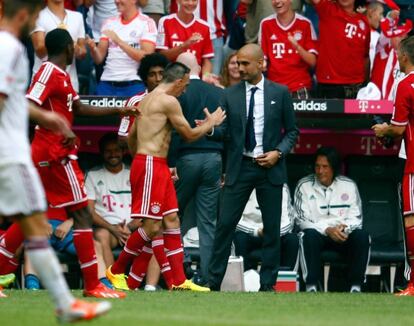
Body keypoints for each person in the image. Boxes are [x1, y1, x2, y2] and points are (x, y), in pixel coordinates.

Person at [0, 0, 110, 320]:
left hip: (25, 152)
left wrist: (53, 121)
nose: (34, 21)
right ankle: (86, 289)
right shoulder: (13, 50)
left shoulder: (45, 67)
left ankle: (68, 304)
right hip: (28, 153)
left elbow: (21, 102)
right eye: (33, 16)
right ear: (24, 15)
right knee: (64, 216)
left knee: (34, 224)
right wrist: (51, 123)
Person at [27, 28, 137, 299]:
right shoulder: (47, 71)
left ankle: (4, 268)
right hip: (55, 151)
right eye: (75, 45)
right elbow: (28, 104)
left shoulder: (63, 75)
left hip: (53, 150)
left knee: (31, 214)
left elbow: (78, 108)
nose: (79, 49)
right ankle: (92, 283)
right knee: (82, 212)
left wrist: (117, 110)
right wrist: (59, 129)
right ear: (66, 48)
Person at [105, 62, 226, 292]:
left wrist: (143, 158)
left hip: (154, 164)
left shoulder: (147, 99)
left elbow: (131, 136)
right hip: (151, 164)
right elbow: (189, 135)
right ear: (178, 81)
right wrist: (211, 123)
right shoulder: (168, 101)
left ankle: (179, 281)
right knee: (151, 227)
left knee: (172, 221)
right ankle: (117, 270)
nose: (185, 90)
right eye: (186, 85)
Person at [208, 43, 299, 292]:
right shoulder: (229, 94)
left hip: (270, 167)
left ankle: (267, 285)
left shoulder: (280, 92)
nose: (239, 68)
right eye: (238, 63)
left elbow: (292, 132)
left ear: (261, 64)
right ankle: (212, 282)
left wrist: (278, 153)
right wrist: (211, 127)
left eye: (245, 63)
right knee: (225, 225)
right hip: (241, 168)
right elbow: (225, 133)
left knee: (272, 229)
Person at [168, 52, 224, 284]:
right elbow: (228, 131)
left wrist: (170, 163)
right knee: (208, 222)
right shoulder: (219, 93)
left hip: (186, 159)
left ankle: (177, 273)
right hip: (214, 158)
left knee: (172, 216)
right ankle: (210, 279)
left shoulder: (178, 92)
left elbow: (173, 131)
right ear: (200, 68)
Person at [295, 147, 370, 293]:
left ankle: (356, 287)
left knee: (362, 236)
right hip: (318, 234)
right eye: (317, 166)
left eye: (325, 167)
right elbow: (300, 219)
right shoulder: (303, 185)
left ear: (334, 168)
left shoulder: (348, 185)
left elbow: (357, 218)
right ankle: (311, 287)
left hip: (342, 234)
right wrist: (327, 230)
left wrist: (344, 228)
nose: (320, 171)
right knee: (307, 235)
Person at [372, 35, 414, 296]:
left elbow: (398, 130)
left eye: (398, 54)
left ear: (405, 57)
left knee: (411, 223)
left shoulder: (406, 84)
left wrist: (382, 129)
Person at [86, 0, 157, 96]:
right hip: (107, 82)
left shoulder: (147, 23)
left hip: (134, 83)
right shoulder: (109, 22)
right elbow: (98, 59)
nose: (117, 1)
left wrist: (119, 42)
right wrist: (93, 48)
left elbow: (146, 57)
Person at [86, 133, 132, 267]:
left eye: (116, 150)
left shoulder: (134, 171)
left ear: (123, 151)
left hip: (133, 228)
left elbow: (145, 207)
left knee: (153, 232)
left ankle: (149, 285)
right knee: (101, 235)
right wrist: (113, 228)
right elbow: (90, 212)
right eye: (108, 151)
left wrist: (129, 227)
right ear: (101, 153)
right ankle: (110, 282)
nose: (113, 154)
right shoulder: (92, 174)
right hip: (107, 228)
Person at [310, 0, 371, 99]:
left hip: (357, 86)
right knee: (332, 115)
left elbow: (365, 56)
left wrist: (366, 84)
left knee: (353, 115)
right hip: (330, 86)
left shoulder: (364, 21)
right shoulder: (327, 9)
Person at [259, 0, 318, 98]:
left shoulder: (305, 23)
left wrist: (298, 47)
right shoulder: (266, 24)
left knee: (302, 113)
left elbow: (313, 61)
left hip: (300, 86)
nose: (277, 2)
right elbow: (262, 58)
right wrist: (262, 64)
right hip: (274, 87)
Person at [234, 184, 299, 273]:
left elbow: (288, 221)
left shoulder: (281, 187)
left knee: (292, 239)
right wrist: (256, 231)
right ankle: (245, 278)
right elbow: (235, 220)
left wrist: (273, 232)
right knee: (239, 237)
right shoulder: (242, 185)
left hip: (275, 234)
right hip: (251, 234)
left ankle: (284, 278)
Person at [31, 0, 86, 92]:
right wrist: (60, 38)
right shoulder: (37, 15)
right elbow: (40, 51)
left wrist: (74, 46)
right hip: (42, 83)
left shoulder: (77, 17)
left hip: (70, 83)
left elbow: (82, 53)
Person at [156, 0, 214, 78]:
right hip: (170, 78)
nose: (190, 3)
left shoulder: (204, 26)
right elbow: (162, 56)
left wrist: (206, 76)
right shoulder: (165, 21)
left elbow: (206, 60)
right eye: (186, 0)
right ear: (177, 1)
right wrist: (185, 45)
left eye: (194, 0)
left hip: (194, 79)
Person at [365, 1, 384, 71]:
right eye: (380, 14)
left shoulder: (379, 37)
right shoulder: (356, 29)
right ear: (371, 12)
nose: (382, 18)